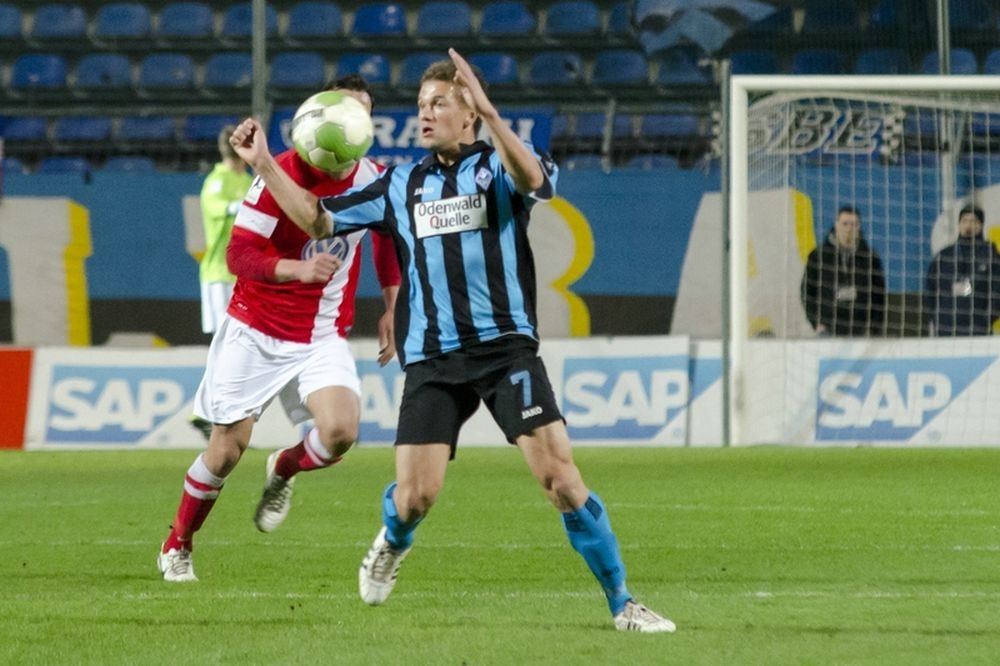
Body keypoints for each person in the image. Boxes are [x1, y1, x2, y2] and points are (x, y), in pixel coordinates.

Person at [227, 48, 675, 633]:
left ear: (470, 114)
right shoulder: (399, 184)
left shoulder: (501, 166)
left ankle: (623, 603)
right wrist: (264, 163)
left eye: (439, 103)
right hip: (433, 359)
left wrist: (493, 115)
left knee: (562, 481)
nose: (425, 113)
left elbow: (536, 182)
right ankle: (394, 538)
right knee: (415, 498)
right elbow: (317, 219)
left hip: (506, 351)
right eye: (421, 104)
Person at [157, 75, 401, 582]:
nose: (348, 120)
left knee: (340, 433)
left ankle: (284, 467)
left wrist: (392, 303)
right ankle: (178, 542)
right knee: (225, 451)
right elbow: (238, 254)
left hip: (321, 333)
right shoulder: (281, 172)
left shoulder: (372, 177)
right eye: (341, 109)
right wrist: (294, 269)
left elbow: (385, 237)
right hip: (256, 329)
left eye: (360, 112)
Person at [190, 126, 255, 439]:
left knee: (238, 344)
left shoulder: (247, 180)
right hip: (219, 274)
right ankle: (206, 412)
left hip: (243, 275)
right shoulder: (216, 181)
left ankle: (218, 414)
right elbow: (222, 208)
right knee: (226, 343)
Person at [800, 205, 887, 336]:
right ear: (836, 225)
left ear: (859, 227)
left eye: (854, 224)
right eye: (845, 224)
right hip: (827, 328)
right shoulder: (818, 256)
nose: (849, 229)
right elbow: (807, 291)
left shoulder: (870, 258)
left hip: (861, 330)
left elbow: (879, 296)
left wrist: (873, 328)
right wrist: (816, 322)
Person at [925, 203, 1000, 336]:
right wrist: (937, 318)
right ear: (959, 224)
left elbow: (997, 290)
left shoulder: (990, 255)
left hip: (978, 329)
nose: (968, 225)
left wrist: (986, 320)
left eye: (973, 221)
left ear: (980, 225)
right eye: (964, 220)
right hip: (946, 328)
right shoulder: (944, 256)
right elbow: (930, 290)